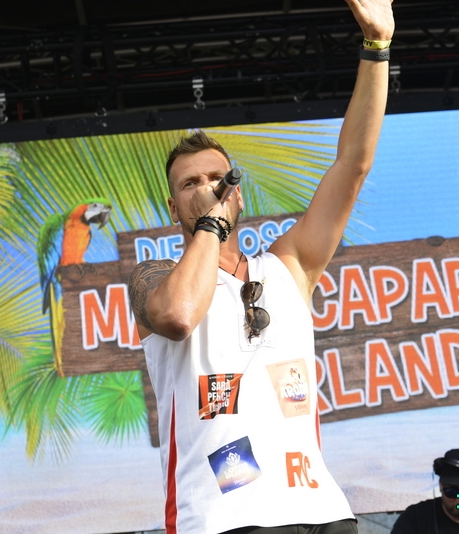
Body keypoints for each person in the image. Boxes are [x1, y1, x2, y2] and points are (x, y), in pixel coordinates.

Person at [128, 1, 394, 532]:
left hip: (321, 512)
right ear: (173, 208)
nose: (206, 188)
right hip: (222, 519)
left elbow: (352, 166)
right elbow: (178, 316)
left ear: (238, 193)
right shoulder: (151, 276)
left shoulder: (288, 265)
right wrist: (210, 225)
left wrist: (377, 47)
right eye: (190, 184)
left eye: (216, 178)